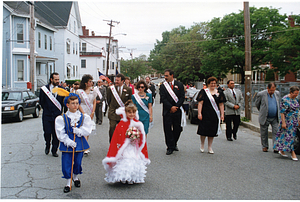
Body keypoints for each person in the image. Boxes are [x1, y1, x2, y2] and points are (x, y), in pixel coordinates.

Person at [102, 100, 150, 184]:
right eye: (129, 112)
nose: (131, 114)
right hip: (124, 147)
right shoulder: (122, 123)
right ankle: (123, 177)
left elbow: (142, 136)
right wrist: (127, 137)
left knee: (134, 159)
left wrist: (137, 136)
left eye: (133, 112)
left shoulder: (138, 124)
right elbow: (118, 135)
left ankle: (132, 177)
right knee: (126, 159)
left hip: (134, 146)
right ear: (126, 113)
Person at [55, 93, 93, 193]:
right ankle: (68, 182)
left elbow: (87, 130)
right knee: (67, 162)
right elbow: (60, 132)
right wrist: (67, 141)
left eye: (77, 103)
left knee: (78, 162)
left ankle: (75, 177)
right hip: (67, 143)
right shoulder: (62, 118)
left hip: (79, 143)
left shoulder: (83, 117)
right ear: (67, 105)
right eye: (72, 103)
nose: (75, 105)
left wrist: (79, 131)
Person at [197, 77, 226, 154]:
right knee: (203, 130)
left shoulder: (219, 92)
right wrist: (199, 113)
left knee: (212, 131)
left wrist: (222, 114)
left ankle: (210, 147)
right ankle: (202, 144)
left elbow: (221, 104)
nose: (213, 84)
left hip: (214, 115)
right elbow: (200, 103)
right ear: (208, 84)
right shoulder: (204, 92)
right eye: (211, 83)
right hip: (205, 113)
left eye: (214, 83)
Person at [159, 69, 185, 155]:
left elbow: (182, 97)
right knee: (167, 129)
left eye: (167, 76)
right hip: (167, 110)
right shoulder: (163, 86)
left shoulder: (180, 85)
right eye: (165, 76)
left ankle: (174, 143)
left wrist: (176, 106)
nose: (165, 77)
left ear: (172, 75)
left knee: (178, 129)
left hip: (177, 110)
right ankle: (170, 147)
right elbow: (163, 98)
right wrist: (170, 107)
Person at [39, 72, 65, 157]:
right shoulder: (44, 89)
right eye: (56, 79)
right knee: (47, 132)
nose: (58, 81)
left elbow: (64, 103)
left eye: (58, 79)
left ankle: (54, 150)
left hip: (57, 115)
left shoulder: (62, 89)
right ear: (51, 79)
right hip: (47, 115)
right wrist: (47, 109)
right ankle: (47, 144)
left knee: (56, 133)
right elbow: (41, 102)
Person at [273, 86, 300, 161]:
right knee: (289, 137)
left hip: (294, 121)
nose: (296, 95)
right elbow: (282, 112)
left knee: (290, 136)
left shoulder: (296, 100)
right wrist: (283, 122)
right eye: (295, 93)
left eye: (297, 93)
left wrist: (298, 120)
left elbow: (297, 111)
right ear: (291, 92)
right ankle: (292, 153)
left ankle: (281, 150)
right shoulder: (285, 100)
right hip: (287, 120)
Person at [255, 82, 280, 153]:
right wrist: (263, 111)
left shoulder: (277, 93)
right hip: (265, 117)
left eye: (273, 90)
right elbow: (257, 104)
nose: (272, 92)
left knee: (276, 132)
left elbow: (278, 103)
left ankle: (276, 147)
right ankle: (265, 146)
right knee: (264, 133)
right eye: (271, 90)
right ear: (267, 88)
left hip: (275, 117)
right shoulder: (261, 94)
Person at [107, 73, 132, 142]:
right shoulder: (110, 89)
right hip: (113, 112)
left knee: (123, 129)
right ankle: (112, 144)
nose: (116, 81)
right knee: (112, 128)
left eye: (118, 80)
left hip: (124, 113)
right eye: (116, 80)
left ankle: (122, 144)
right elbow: (108, 100)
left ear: (122, 81)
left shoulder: (128, 90)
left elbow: (129, 101)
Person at [77, 74, 97, 155]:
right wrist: (83, 113)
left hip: (90, 110)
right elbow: (78, 102)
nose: (91, 83)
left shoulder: (93, 91)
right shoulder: (79, 92)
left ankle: (85, 144)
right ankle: (84, 146)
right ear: (85, 83)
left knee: (88, 129)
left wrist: (93, 112)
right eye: (90, 81)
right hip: (82, 110)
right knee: (83, 128)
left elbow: (94, 102)